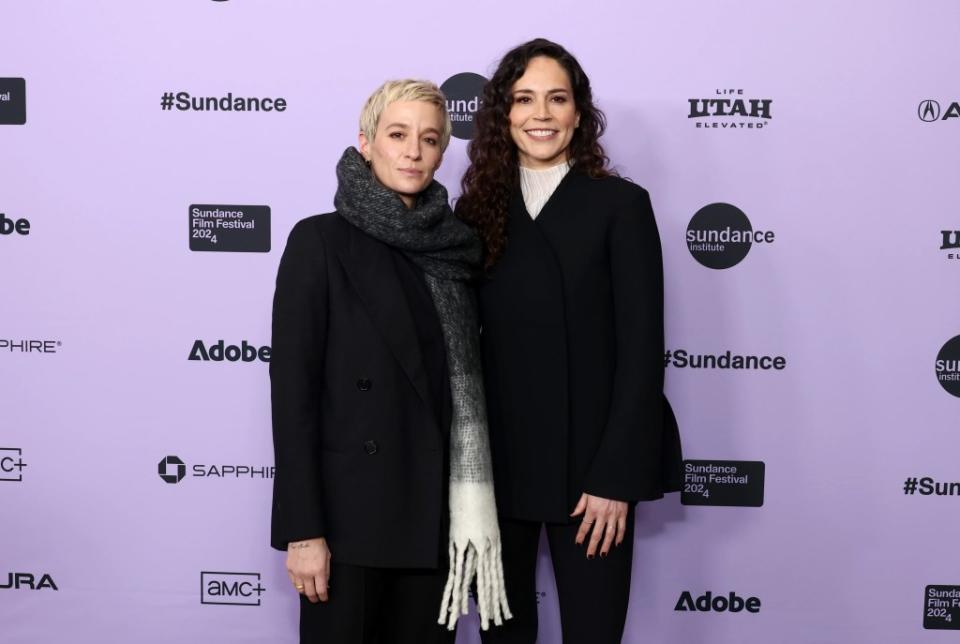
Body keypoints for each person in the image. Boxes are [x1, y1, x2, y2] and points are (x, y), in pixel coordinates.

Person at [456, 39, 683, 644]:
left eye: (557, 99)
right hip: (498, 468)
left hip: (593, 471)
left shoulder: (621, 206)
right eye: (524, 98)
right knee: (503, 635)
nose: (541, 114)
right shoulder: (476, 211)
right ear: (504, 114)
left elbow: (642, 352)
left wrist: (616, 476)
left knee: (594, 632)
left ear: (579, 113)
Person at [269, 79, 510, 644]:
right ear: (366, 143)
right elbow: (293, 396)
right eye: (397, 135)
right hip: (348, 521)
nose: (412, 151)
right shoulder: (319, 242)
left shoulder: (456, 250)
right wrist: (304, 532)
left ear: (442, 153)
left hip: (431, 519)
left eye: (429, 139)